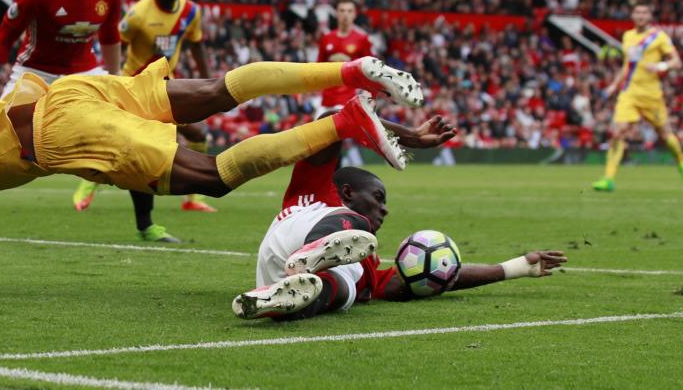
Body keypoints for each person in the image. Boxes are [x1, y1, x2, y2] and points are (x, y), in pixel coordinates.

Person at [0, 56, 424, 293]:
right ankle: (349, 73)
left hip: (62, 136)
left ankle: (343, 122)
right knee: (215, 90)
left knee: (213, 175)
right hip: (76, 90)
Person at [233, 120, 567, 320]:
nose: (385, 210)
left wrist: (518, 267)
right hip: (299, 233)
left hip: (275, 277)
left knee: (346, 290)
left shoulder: (366, 261)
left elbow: (436, 276)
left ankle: (280, 302)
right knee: (357, 232)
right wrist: (406, 136)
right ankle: (312, 253)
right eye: (378, 198)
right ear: (348, 191)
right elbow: (332, 122)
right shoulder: (320, 189)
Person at [0, 0, 128, 226]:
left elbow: (111, 37)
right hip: (35, 72)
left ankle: (134, 213)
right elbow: (3, 40)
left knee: (131, 124)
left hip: (85, 73)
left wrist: (117, 84)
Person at [74, 0, 216, 245]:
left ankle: (190, 200)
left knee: (198, 133)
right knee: (139, 152)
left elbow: (197, 46)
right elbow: (113, 39)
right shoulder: (138, 13)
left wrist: (207, 83)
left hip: (165, 86)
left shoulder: (191, 12)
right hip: (134, 88)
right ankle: (92, 180)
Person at [592, 3, 683, 192]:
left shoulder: (659, 37)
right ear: (632, 15)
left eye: (644, 12)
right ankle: (608, 179)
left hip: (651, 95)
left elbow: (676, 61)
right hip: (629, 93)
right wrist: (614, 86)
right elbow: (627, 66)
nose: (640, 16)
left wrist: (661, 66)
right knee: (618, 132)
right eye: (637, 12)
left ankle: (682, 164)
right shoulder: (628, 36)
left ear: (650, 16)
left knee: (665, 135)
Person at [317, 0, 374, 168]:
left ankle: (337, 175)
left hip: (347, 98)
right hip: (326, 99)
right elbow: (317, 68)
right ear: (336, 13)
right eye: (342, 11)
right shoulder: (327, 39)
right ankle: (326, 177)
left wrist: (369, 93)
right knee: (319, 141)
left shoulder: (361, 39)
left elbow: (370, 69)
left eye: (349, 11)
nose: (345, 15)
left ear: (355, 14)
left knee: (336, 140)